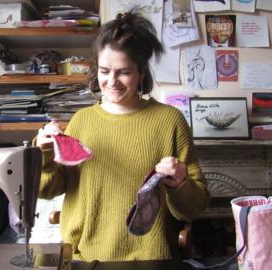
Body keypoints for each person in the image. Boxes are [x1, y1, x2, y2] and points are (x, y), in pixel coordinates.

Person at [35, 11, 209, 262]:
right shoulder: (82, 121)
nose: (112, 81)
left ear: (141, 72)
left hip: (151, 259)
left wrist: (181, 183)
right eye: (105, 71)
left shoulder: (170, 121)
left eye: (124, 72)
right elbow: (47, 190)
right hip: (85, 258)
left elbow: (194, 208)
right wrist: (43, 156)